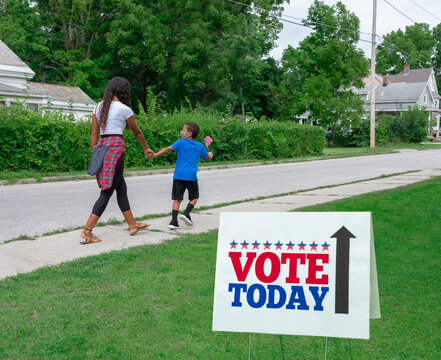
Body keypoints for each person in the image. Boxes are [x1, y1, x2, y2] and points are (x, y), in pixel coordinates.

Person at [80, 77, 154, 244]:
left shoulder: (98, 106)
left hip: (102, 147)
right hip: (115, 149)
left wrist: (96, 152)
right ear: (123, 92)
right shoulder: (124, 109)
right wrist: (146, 147)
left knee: (121, 187)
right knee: (107, 192)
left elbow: (94, 133)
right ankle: (87, 231)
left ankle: (132, 225)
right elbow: (138, 132)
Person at [151, 122, 213, 229]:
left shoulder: (180, 143)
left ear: (189, 133)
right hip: (191, 177)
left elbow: (167, 149)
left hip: (178, 175)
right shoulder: (200, 146)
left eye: (183, 130)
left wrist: (155, 155)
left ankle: (173, 222)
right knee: (194, 197)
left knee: (177, 199)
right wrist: (211, 154)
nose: (181, 131)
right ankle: (186, 213)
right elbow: (208, 158)